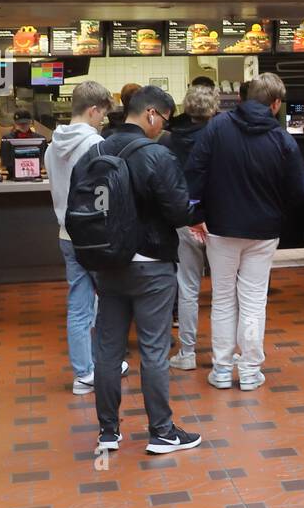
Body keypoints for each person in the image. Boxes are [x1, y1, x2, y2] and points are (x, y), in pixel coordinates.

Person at [78, 85, 202, 455]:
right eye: (163, 119)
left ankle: (108, 432)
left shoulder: (94, 152)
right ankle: (161, 432)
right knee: (153, 349)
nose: (162, 126)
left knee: (108, 350)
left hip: (107, 262)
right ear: (150, 113)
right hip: (151, 265)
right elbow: (180, 211)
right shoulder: (157, 155)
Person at [186, 72, 304, 391]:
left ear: (245, 97)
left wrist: (196, 213)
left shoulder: (217, 127)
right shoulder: (283, 139)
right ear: (276, 103)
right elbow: (300, 188)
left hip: (221, 228)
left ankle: (223, 370)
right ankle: (251, 371)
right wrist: (278, 209)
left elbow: (194, 170)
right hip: (264, 231)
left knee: (224, 299)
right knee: (254, 299)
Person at [44, 81, 128, 394]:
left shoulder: (52, 146)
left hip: (67, 234)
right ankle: (104, 364)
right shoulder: (95, 145)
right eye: (102, 115)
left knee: (79, 305)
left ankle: (84, 373)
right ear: (93, 110)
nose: (103, 121)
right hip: (96, 235)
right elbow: (105, 193)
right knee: (108, 302)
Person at [161, 79, 219, 371]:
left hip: (185, 219)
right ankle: (225, 353)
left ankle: (187, 351)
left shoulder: (168, 138)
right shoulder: (221, 135)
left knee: (187, 287)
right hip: (219, 219)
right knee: (224, 289)